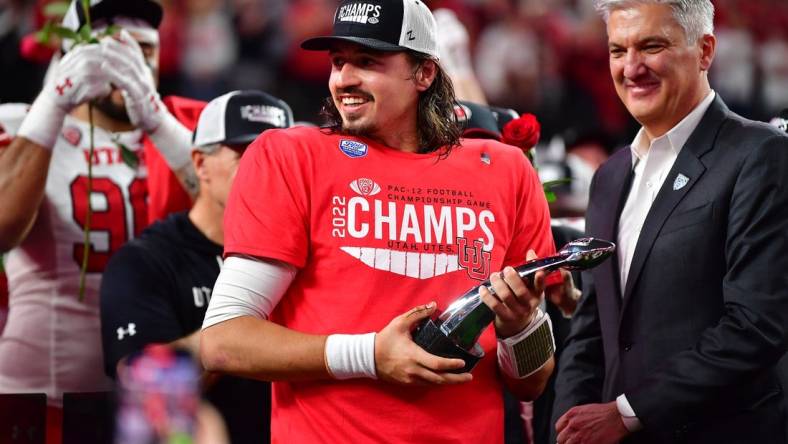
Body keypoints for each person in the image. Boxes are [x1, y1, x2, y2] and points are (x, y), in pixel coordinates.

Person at [200, 1, 558, 442]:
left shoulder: (505, 169)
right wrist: (368, 355)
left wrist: (520, 326)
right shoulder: (291, 157)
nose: (344, 79)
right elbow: (223, 341)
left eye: (367, 62)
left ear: (424, 73)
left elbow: (532, 382)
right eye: (338, 62)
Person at [552, 1, 788, 443]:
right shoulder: (609, 177)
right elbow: (592, 331)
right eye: (617, 50)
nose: (631, 67)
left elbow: (757, 324)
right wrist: (567, 426)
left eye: (651, 46)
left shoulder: (760, 154)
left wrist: (626, 413)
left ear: (705, 51)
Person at [0, 0, 196, 427]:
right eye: (113, 50)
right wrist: (53, 102)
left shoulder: (185, 129)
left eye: (143, 50)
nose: (129, 64)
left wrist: (157, 119)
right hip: (40, 393)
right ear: (71, 56)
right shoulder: (21, 124)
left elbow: (243, 216)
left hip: (156, 397)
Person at [100, 89, 294, 444]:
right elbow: (145, 386)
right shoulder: (146, 261)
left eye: (280, 161)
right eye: (247, 157)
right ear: (200, 164)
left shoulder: (309, 257)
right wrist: (238, 336)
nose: (268, 174)